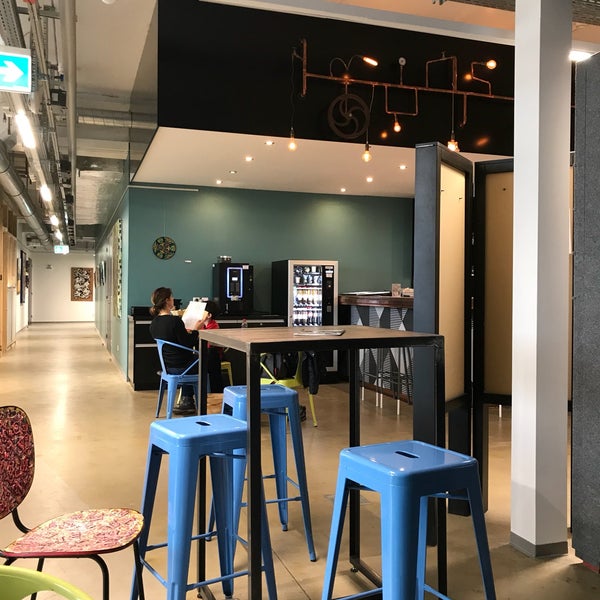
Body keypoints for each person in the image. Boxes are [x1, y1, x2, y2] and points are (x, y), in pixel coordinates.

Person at [149, 287, 205, 415]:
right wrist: (196, 329)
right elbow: (189, 343)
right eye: (171, 297)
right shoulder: (175, 321)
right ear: (167, 301)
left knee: (192, 360)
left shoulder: (154, 323)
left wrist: (186, 332)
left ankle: (187, 400)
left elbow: (174, 338)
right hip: (181, 367)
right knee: (203, 361)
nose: (173, 299)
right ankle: (192, 401)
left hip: (167, 366)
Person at [199, 300, 224, 395]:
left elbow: (211, 343)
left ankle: (215, 391)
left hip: (214, 355)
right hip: (204, 355)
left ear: (209, 315)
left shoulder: (214, 326)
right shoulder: (201, 325)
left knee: (211, 353)